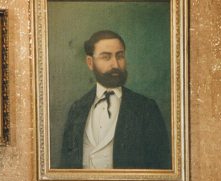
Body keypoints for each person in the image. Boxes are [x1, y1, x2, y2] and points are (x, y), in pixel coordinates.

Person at [60, 30, 171, 169]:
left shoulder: (146, 108)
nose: (116, 65)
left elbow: (160, 167)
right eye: (106, 57)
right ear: (90, 62)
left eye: (120, 56)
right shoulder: (77, 108)